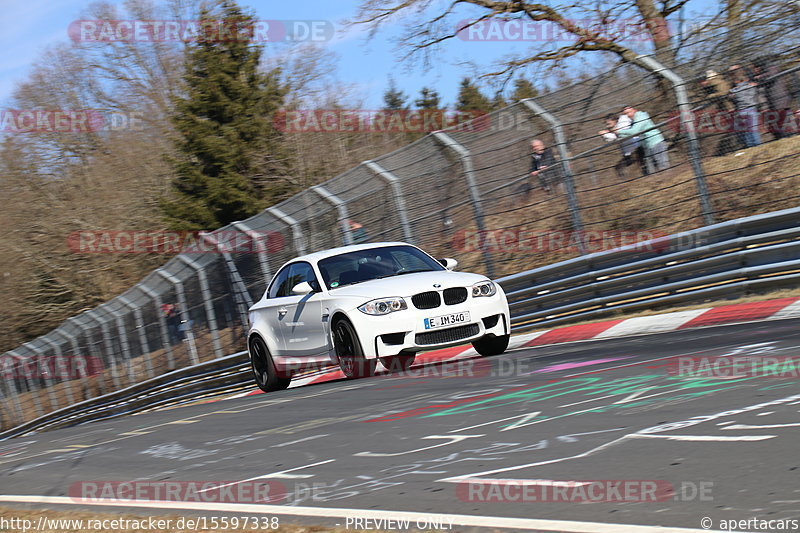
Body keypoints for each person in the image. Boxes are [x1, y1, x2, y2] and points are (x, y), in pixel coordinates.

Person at [614, 106, 670, 172]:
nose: (628, 115)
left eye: (629, 112)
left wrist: (618, 132)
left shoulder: (641, 117)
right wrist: (616, 134)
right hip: (647, 146)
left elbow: (634, 131)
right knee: (652, 170)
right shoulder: (634, 121)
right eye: (626, 114)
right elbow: (629, 133)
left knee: (663, 167)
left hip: (656, 142)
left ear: (635, 110)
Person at [751, 56, 795, 139]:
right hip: (775, 103)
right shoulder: (765, 71)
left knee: (785, 123)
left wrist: (759, 77)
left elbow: (771, 75)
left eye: (754, 68)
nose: (754, 71)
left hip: (780, 101)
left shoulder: (771, 68)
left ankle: (789, 137)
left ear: (759, 66)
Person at [598, 113, 647, 178]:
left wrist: (605, 134)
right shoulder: (615, 127)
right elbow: (612, 140)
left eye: (608, 124)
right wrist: (606, 135)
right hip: (629, 152)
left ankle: (646, 177)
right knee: (619, 168)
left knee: (642, 166)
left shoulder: (623, 124)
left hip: (636, 148)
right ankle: (628, 180)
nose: (608, 126)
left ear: (614, 120)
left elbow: (620, 137)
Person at [728, 66, 761, 148]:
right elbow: (755, 92)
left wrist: (732, 91)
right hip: (752, 108)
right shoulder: (751, 86)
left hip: (742, 110)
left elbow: (731, 97)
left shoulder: (735, 90)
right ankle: (757, 145)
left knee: (746, 130)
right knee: (753, 129)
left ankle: (750, 146)